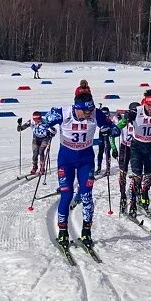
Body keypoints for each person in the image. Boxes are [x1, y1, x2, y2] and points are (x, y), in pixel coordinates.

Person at [41, 92, 115, 248]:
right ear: (77, 108)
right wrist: (47, 131)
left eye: (91, 111)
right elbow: (39, 127)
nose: (89, 114)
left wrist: (108, 130)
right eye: (86, 111)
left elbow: (115, 129)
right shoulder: (61, 112)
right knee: (66, 195)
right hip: (66, 161)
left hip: (86, 161)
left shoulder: (96, 113)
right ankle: (62, 232)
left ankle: (86, 232)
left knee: (87, 196)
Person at [120, 89, 151, 219]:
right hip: (137, 146)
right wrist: (114, 129)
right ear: (144, 102)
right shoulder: (136, 111)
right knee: (137, 175)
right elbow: (122, 123)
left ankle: (144, 193)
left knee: (148, 175)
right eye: (149, 105)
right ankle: (133, 201)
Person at [16, 111, 56, 176]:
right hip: (36, 138)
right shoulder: (31, 122)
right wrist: (19, 124)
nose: (37, 121)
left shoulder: (46, 122)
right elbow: (20, 129)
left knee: (41, 151)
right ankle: (35, 167)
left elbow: (54, 131)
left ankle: (42, 168)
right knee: (35, 153)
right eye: (35, 119)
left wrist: (51, 134)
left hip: (44, 139)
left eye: (38, 119)